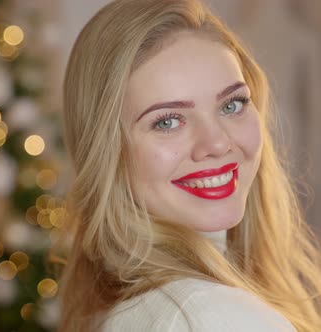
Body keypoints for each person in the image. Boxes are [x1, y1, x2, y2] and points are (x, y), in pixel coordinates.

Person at [55, 0, 321, 331]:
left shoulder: (133, 310)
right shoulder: (211, 315)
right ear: (107, 151)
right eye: (167, 121)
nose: (217, 143)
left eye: (232, 104)